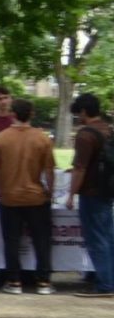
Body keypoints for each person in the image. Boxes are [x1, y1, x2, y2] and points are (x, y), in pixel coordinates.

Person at [0, 99, 55, 295]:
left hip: (9, 197)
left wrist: (1, 189)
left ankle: (14, 281)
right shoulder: (42, 138)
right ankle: (44, 282)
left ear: (13, 114)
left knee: (11, 240)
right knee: (42, 240)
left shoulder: (0, 139)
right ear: (32, 114)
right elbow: (49, 170)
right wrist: (50, 190)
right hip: (36, 197)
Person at [67, 93, 114, 297]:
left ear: (84, 112)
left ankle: (104, 285)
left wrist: (71, 194)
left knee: (96, 240)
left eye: (78, 113)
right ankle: (109, 279)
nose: (78, 118)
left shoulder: (85, 135)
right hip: (107, 190)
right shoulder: (108, 129)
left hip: (91, 192)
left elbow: (80, 168)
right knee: (108, 237)